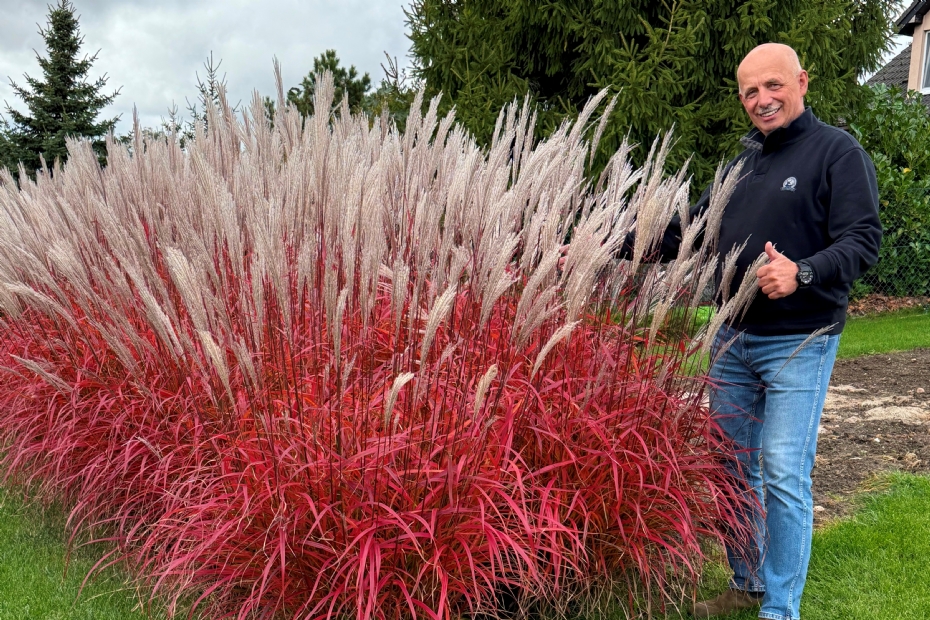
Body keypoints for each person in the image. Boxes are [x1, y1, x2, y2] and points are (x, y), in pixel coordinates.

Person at [643, 43, 881, 619]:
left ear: (801, 81)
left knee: (781, 470)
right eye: (749, 91)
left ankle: (780, 609)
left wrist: (802, 272)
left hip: (799, 339)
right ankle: (746, 582)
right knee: (728, 466)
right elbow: (686, 232)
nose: (762, 99)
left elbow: (863, 240)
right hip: (731, 339)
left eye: (773, 85)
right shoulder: (740, 166)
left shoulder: (837, 152)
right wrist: (605, 246)